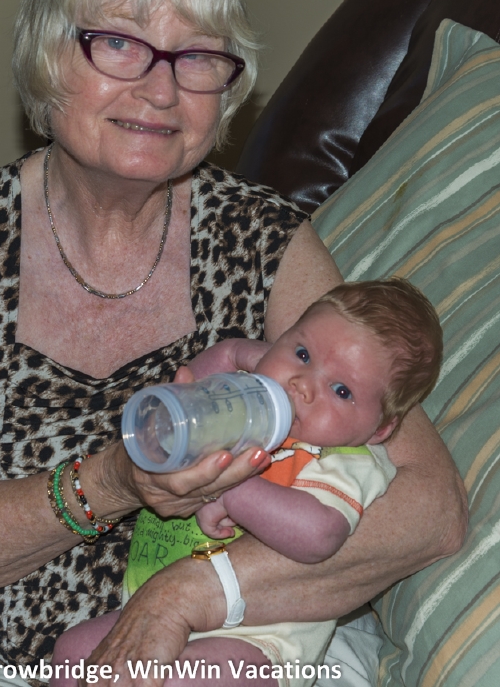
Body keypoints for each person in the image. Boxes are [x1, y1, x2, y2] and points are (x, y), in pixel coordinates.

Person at [0, 0, 465, 687]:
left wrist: (189, 593)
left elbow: (432, 509)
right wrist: (115, 480)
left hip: (243, 644)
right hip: (9, 660)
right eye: (119, 43)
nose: (160, 91)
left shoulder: (263, 238)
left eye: (197, 57)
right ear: (48, 58)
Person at [51, 279, 443, 687]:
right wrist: (233, 354)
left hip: (258, 641)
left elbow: (320, 534)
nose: (302, 384)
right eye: (302, 354)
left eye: (341, 390)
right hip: (146, 611)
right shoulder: (244, 401)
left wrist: (230, 489)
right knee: (72, 654)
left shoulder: (343, 459)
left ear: (380, 428)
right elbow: (185, 392)